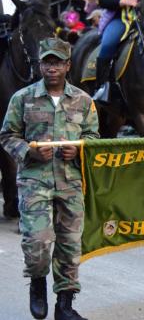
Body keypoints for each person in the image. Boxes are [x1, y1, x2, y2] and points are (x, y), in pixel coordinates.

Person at [0, 37, 99, 319]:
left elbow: (93, 138)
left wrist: (79, 150)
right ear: (40, 64)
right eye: (47, 61)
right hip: (34, 182)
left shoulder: (84, 101)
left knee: (69, 244)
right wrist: (28, 153)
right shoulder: (23, 98)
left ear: (68, 65)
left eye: (57, 62)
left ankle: (65, 305)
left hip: (70, 182)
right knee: (38, 242)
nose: (51, 67)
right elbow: (7, 135)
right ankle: (38, 286)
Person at [92, 0, 139, 103]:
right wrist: (122, 2)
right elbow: (103, 1)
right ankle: (102, 87)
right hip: (119, 19)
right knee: (108, 45)